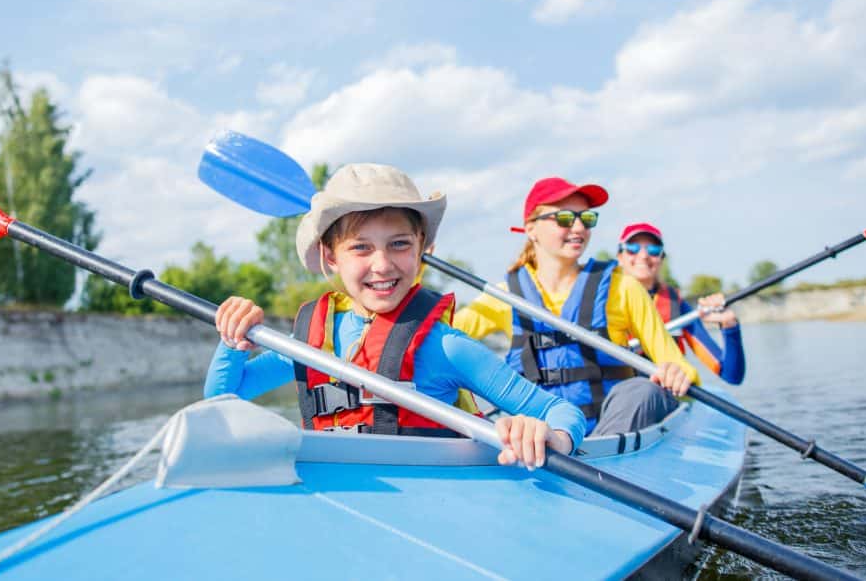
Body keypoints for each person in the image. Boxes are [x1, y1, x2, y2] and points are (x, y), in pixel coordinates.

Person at [206, 163, 587, 469]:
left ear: (423, 248)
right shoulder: (311, 343)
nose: (382, 265)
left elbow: (561, 411)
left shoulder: (445, 346)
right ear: (331, 256)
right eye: (361, 248)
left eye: (399, 244)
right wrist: (233, 338)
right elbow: (222, 400)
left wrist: (549, 436)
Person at [453, 177, 698, 436]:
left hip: (610, 436)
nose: (579, 227)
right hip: (538, 439)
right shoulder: (503, 297)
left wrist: (676, 373)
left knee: (641, 390)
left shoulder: (624, 288)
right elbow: (437, 341)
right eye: (565, 218)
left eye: (587, 218)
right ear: (531, 229)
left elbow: (673, 361)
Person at [616, 222, 745, 385]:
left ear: (661, 259)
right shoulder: (603, 301)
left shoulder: (677, 306)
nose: (643, 256)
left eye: (653, 250)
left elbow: (731, 375)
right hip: (619, 394)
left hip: (666, 396)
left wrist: (729, 325)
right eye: (633, 248)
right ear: (620, 257)